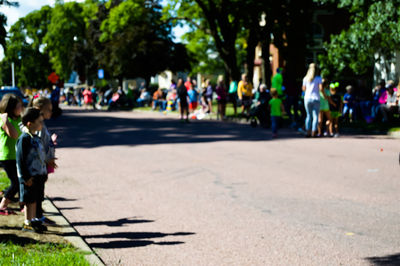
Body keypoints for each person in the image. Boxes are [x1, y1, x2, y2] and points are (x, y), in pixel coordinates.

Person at [17, 108, 47, 232]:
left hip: (38, 175)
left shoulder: (36, 138)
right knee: (29, 200)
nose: (41, 124)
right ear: (30, 123)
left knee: (36, 199)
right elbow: (20, 159)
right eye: (39, 122)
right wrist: (25, 177)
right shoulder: (24, 139)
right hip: (29, 176)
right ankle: (27, 222)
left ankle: (34, 221)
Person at [30, 97, 58, 226]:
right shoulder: (39, 126)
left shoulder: (42, 125)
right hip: (39, 165)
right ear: (40, 109)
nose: (51, 112)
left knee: (40, 190)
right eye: (49, 110)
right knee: (38, 191)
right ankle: (37, 216)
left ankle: (38, 215)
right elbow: (39, 145)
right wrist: (48, 159)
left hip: (42, 164)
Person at [0, 94, 23, 215]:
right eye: (18, 106)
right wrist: (5, 121)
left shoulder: (18, 119)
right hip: (7, 156)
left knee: (20, 181)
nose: (21, 108)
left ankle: (22, 205)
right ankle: (2, 205)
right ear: (11, 108)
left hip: (17, 156)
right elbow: (14, 135)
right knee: (16, 183)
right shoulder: (3, 119)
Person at [302, 63, 323, 137]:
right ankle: (313, 132)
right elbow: (321, 88)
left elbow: (303, 89)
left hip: (307, 98)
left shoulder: (305, 78)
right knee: (315, 116)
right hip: (316, 98)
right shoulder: (318, 78)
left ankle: (308, 132)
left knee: (308, 115)